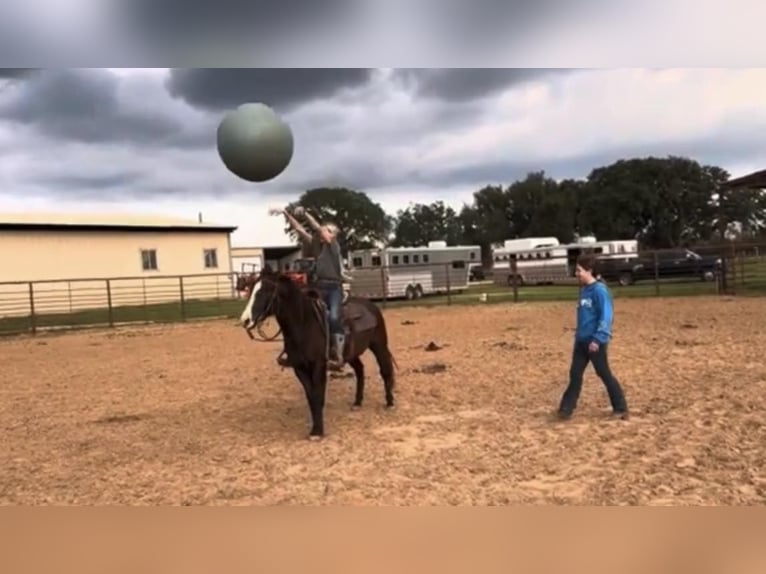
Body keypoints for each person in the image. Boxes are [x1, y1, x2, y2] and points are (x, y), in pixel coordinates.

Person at [554, 253, 629, 421]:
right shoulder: (584, 290)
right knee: (575, 374)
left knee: (604, 373)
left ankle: (621, 407)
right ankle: (566, 409)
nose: (577, 274)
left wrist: (598, 338)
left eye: (579, 270)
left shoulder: (599, 291)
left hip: (595, 342)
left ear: (590, 271)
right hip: (581, 340)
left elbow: (606, 316)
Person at [273, 206, 349, 370]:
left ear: (333, 235)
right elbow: (299, 230)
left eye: (328, 231)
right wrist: (286, 214)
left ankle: (338, 354)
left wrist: (306, 213)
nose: (324, 232)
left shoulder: (334, 247)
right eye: (325, 231)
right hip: (318, 286)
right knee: (298, 313)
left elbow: (318, 228)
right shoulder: (316, 245)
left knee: (334, 317)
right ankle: (291, 350)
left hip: (334, 287)